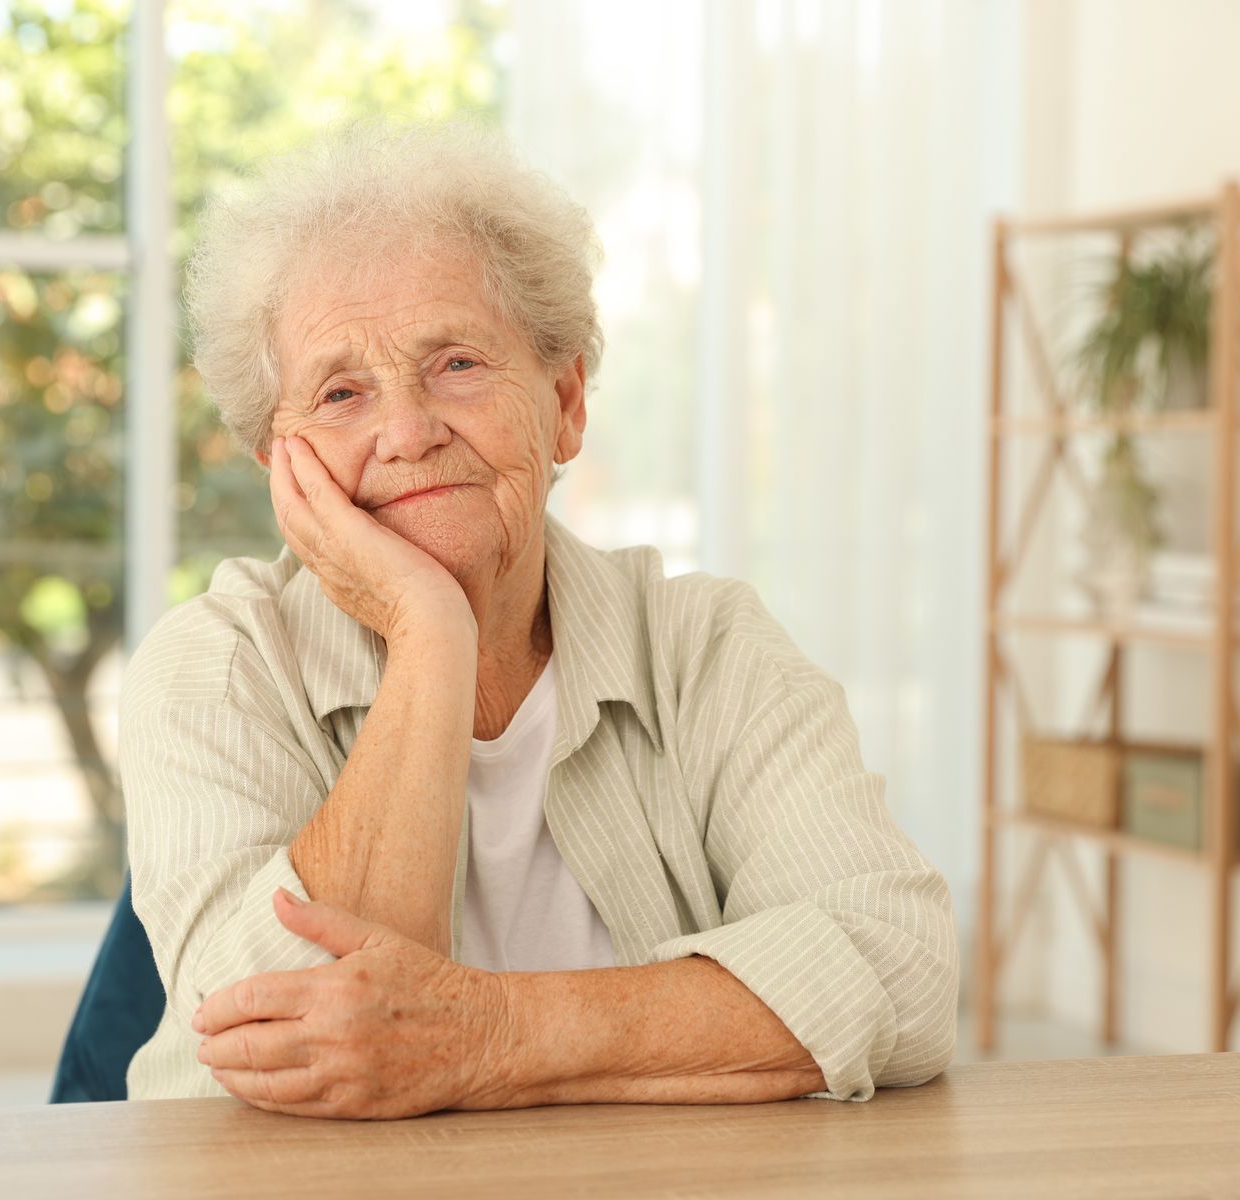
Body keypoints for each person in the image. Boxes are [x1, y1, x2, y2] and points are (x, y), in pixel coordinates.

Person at [120, 120, 957, 1118]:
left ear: (563, 403)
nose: (406, 431)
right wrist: (429, 633)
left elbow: (897, 967)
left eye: (456, 366)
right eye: (341, 392)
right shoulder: (216, 668)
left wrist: (494, 1035)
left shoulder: (707, 649)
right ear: (281, 466)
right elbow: (285, 1049)